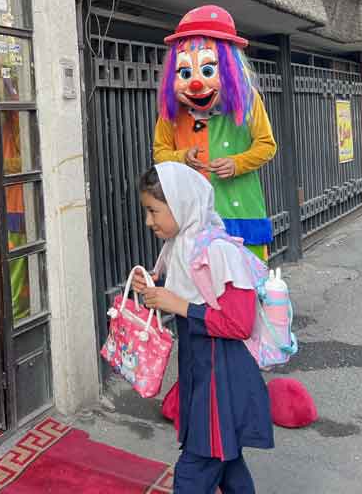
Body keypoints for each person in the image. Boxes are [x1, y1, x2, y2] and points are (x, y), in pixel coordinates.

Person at [132, 162, 274, 493]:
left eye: (154, 211)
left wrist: (177, 305)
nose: (149, 221)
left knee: (195, 469)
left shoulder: (218, 251)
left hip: (221, 376)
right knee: (226, 462)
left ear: (181, 203)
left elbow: (239, 323)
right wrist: (151, 288)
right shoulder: (180, 246)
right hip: (201, 371)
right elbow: (184, 292)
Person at [154, 5, 277, 261]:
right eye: (185, 73)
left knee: (246, 277)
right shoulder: (172, 109)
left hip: (241, 211)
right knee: (197, 280)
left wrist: (237, 163)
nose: (195, 83)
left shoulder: (248, 99)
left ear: (230, 68)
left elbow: (267, 145)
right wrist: (182, 157)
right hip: (192, 215)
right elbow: (160, 152)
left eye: (208, 70)